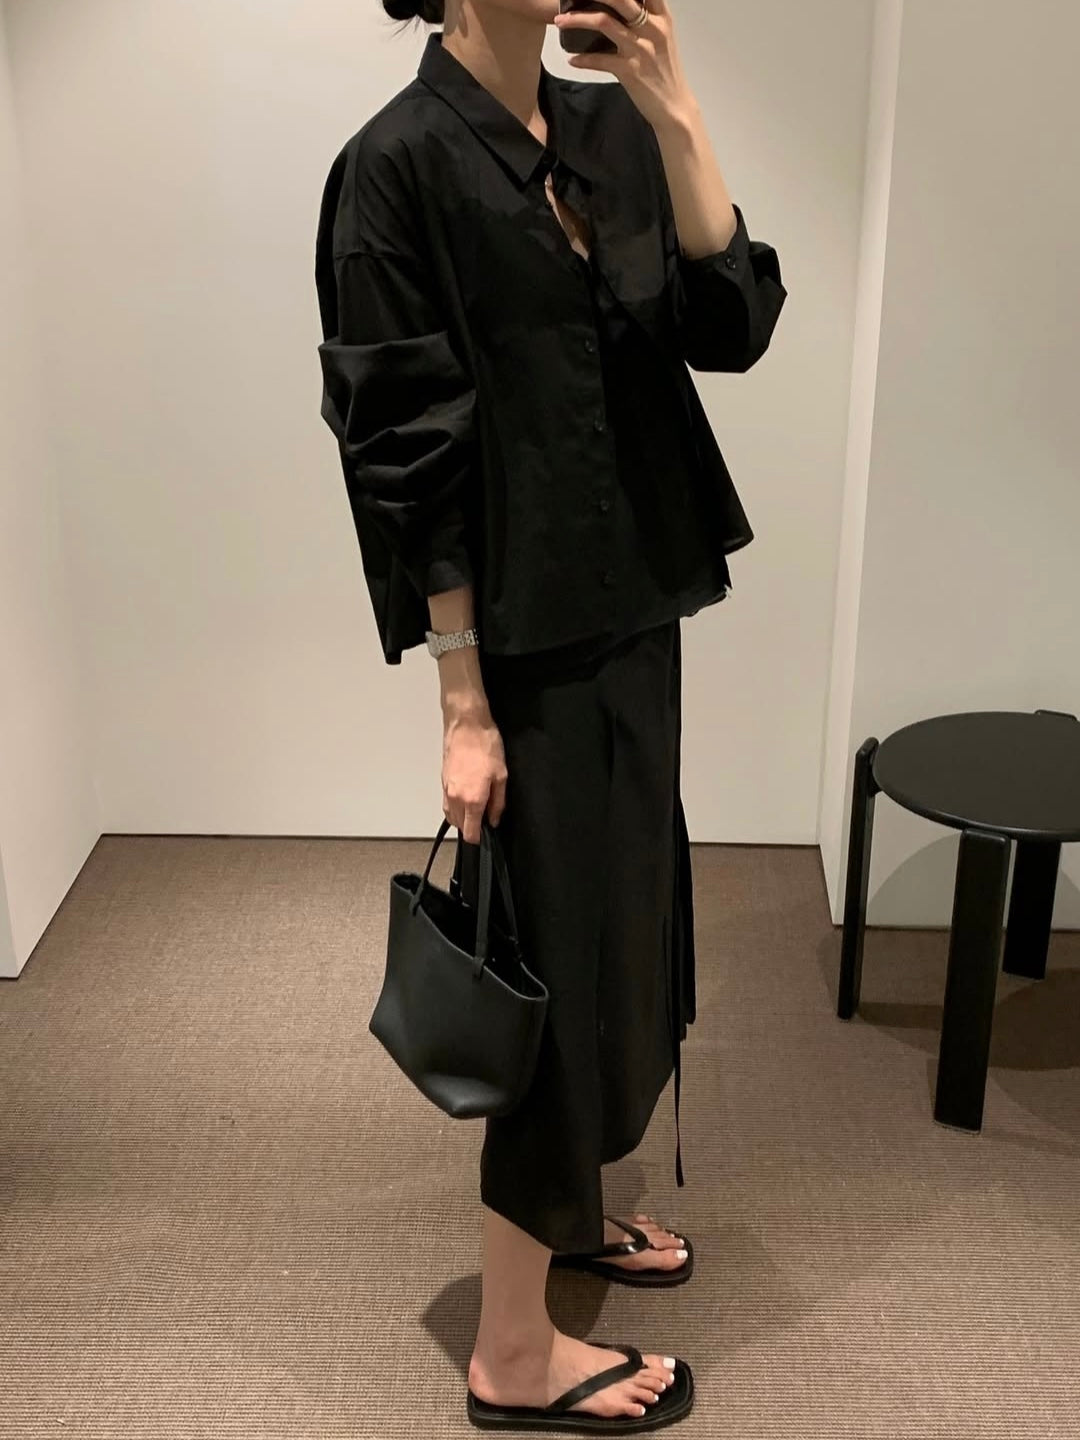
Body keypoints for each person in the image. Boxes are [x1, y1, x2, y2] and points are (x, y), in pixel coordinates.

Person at [315, 0, 786, 1429]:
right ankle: (512, 1352)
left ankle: (570, 1213)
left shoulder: (609, 130)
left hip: (636, 602)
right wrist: (461, 700)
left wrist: (677, 108)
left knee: (628, 929)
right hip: (518, 643)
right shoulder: (393, 166)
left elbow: (732, 326)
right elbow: (403, 449)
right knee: (546, 961)